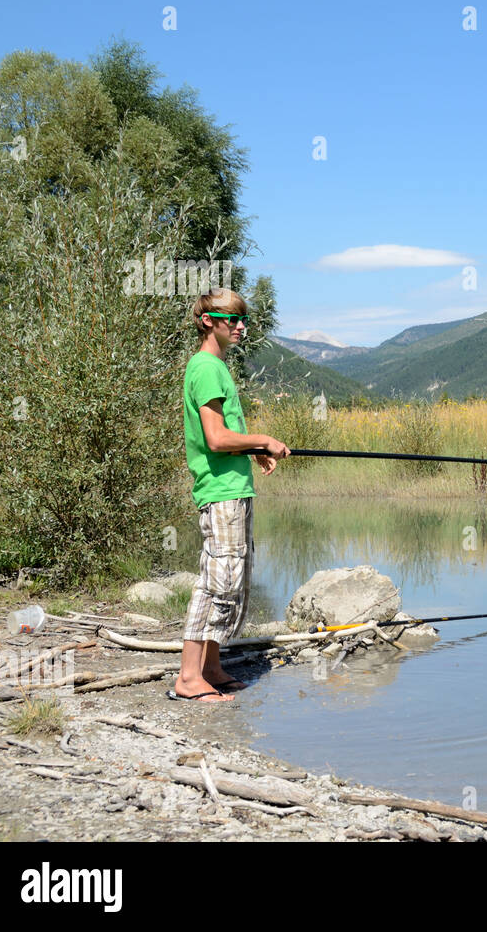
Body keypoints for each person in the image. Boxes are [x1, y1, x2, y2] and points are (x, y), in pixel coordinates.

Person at [171, 288, 290, 703]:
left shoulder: (216, 367)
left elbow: (226, 438)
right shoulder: (205, 367)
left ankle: (212, 668)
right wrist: (264, 439)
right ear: (209, 321)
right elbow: (216, 439)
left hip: (234, 489)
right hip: (220, 493)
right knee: (217, 582)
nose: (241, 327)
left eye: (244, 321)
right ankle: (188, 678)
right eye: (233, 320)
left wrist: (254, 449)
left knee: (234, 580)